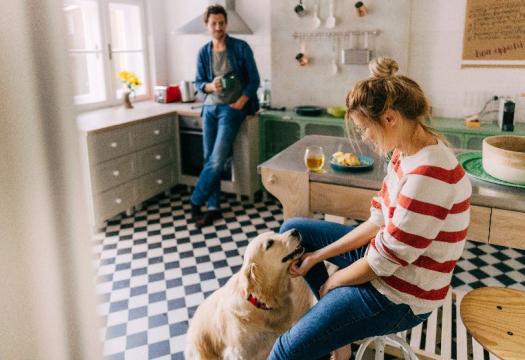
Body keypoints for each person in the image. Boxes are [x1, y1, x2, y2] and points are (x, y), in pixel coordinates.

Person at [268, 57, 472, 360]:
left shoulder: (428, 177)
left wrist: (333, 282)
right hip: (387, 264)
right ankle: (338, 338)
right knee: (295, 232)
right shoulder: (407, 152)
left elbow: (382, 263)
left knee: (285, 350)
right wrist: (317, 257)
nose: (364, 137)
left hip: (401, 295)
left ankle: (334, 327)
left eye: (365, 127)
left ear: (389, 118)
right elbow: (378, 220)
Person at [190, 4, 260, 228]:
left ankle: (195, 200)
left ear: (226, 24)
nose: (218, 27)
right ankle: (213, 207)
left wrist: (241, 101)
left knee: (217, 159)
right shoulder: (203, 52)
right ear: (207, 25)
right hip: (210, 109)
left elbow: (254, 80)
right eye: (214, 23)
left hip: (231, 110)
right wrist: (211, 86)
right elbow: (199, 84)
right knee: (209, 158)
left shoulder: (240, 47)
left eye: (221, 23)